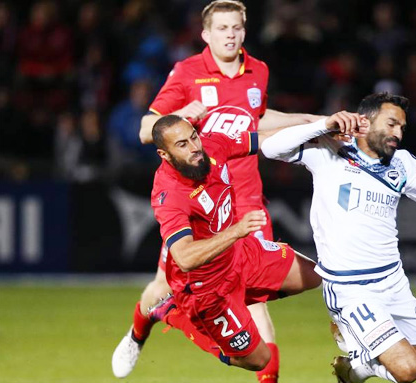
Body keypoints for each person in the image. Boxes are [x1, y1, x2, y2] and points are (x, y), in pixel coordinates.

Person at [112, 1, 320, 381]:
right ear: (206, 34)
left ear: (245, 30)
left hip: (246, 201)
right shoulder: (188, 72)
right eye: (222, 28)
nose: (231, 34)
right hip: (199, 207)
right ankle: (140, 329)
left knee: (256, 306)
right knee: (162, 288)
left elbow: (257, 120)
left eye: (237, 27)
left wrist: (309, 121)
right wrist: (187, 116)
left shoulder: (258, 69)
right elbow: (148, 129)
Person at [261, 92, 416, 383]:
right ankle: (357, 349)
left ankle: (355, 371)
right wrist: (325, 124)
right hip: (351, 288)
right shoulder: (331, 149)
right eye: (391, 124)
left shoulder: (402, 163)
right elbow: (270, 148)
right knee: (407, 369)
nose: (397, 134)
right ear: (365, 121)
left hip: (393, 280)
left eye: (402, 128)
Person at [141, 114, 325, 373]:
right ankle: (173, 313)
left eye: (193, 137)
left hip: (241, 254)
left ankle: (240, 300)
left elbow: (263, 138)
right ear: (164, 154)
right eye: (182, 145)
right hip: (207, 288)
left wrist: (318, 132)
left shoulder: (212, 144)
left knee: (313, 276)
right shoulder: (168, 195)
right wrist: (236, 231)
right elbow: (183, 257)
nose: (194, 148)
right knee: (259, 360)